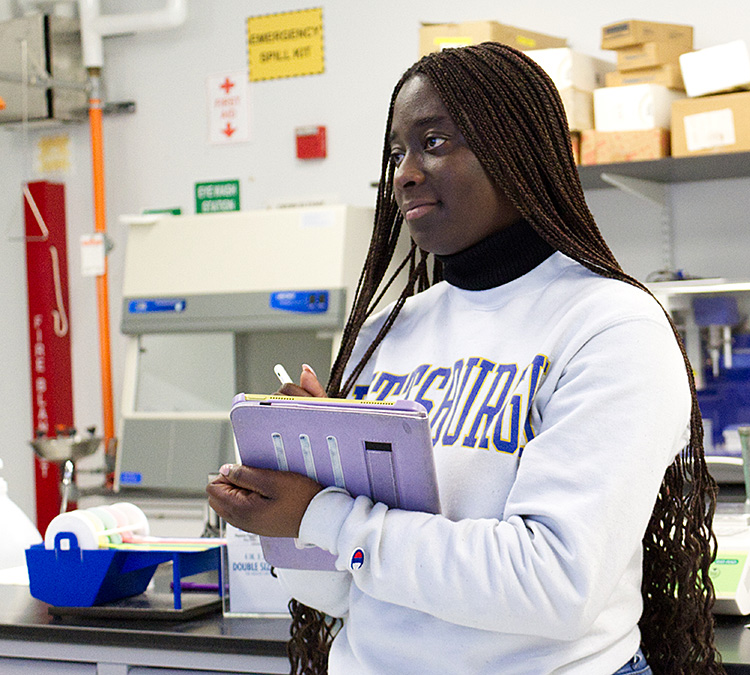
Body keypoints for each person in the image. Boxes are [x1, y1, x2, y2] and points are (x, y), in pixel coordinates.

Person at [207, 41, 721, 675]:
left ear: (518, 153)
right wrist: (290, 498)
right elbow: (340, 592)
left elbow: (555, 584)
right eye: (398, 151)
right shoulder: (386, 332)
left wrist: (325, 514)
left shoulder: (610, 327)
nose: (405, 172)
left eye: (436, 142)